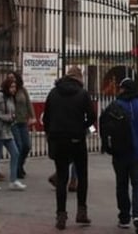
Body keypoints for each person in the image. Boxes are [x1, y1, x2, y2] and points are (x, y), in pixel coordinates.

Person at [43, 65, 96, 230]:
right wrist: (82, 128)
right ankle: (81, 212)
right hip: (76, 139)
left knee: (62, 177)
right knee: (82, 175)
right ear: (79, 79)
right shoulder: (82, 94)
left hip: (58, 140)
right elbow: (92, 117)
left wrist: (51, 133)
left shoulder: (53, 93)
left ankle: (61, 215)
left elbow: (46, 118)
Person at [108, 78, 138, 233]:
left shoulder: (114, 106)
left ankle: (123, 217)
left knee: (121, 185)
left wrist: (107, 147)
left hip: (120, 153)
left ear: (123, 89)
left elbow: (105, 127)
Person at [0, 75, 25, 191]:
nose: (14, 89)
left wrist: (12, 117)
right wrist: (3, 116)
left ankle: (13, 180)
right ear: (7, 86)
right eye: (12, 87)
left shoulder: (10, 97)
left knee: (15, 153)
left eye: (15, 87)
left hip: (7, 129)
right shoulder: (0, 95)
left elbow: (11, 110)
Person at [12, 73, 34, 179]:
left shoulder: (22, 90)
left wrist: (32, 116)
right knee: (19, 146)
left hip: (23, 121)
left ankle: (20, 165)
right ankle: (17, 169)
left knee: (27, 145)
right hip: (14, 122)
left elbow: (28, 103)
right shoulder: (10, 91)